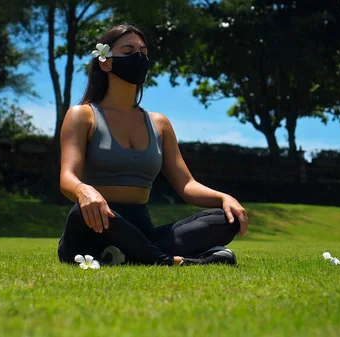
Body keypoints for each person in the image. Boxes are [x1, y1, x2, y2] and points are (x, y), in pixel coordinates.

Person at [57, 24, 249, 267]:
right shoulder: (82, 115)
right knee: (80, 214)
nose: (138, 57)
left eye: (143, 52)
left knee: (226, 219)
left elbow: (187, 185)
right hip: (92, 225)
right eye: (128, 51)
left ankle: (126, 254)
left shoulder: (159, 123)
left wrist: (224, 198)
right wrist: (84, 191)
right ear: (105, 62)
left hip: (141, 229)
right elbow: (67, 177)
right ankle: (174, 261)